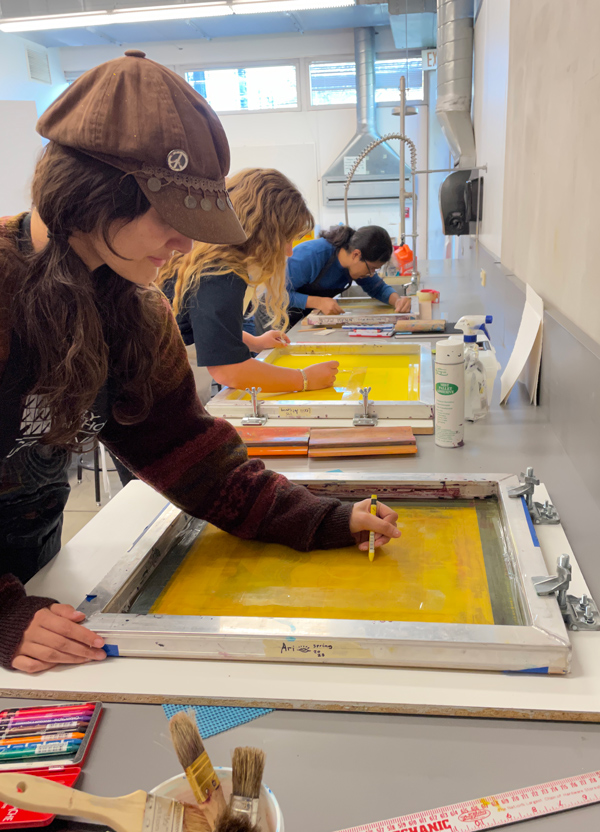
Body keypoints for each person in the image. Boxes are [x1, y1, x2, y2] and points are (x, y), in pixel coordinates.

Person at [0, 50, 400, 674]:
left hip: (33, 574)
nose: (186, 244)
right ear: (94, 195)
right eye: (171, 218)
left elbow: (194, 459)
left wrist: (322, 518)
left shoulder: (136, 310)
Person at [162, 168, 340, 394]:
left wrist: (254, 342)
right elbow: (229, 371)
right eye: (285, 239)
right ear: (261, 232)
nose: (289, 252)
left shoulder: (213, 259)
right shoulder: (220, 274)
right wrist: (304, 379)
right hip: (162, 391)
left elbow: (207, 329)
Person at [279, 224, 412, 331]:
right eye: (371, 268)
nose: (371, 274)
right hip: (274, 319)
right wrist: (318, 302)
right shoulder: (311, 255)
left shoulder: (356, 264)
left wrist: (397, 301)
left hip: (302, 323)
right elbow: (277, 296)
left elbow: (378, 288)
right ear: (355, 255)